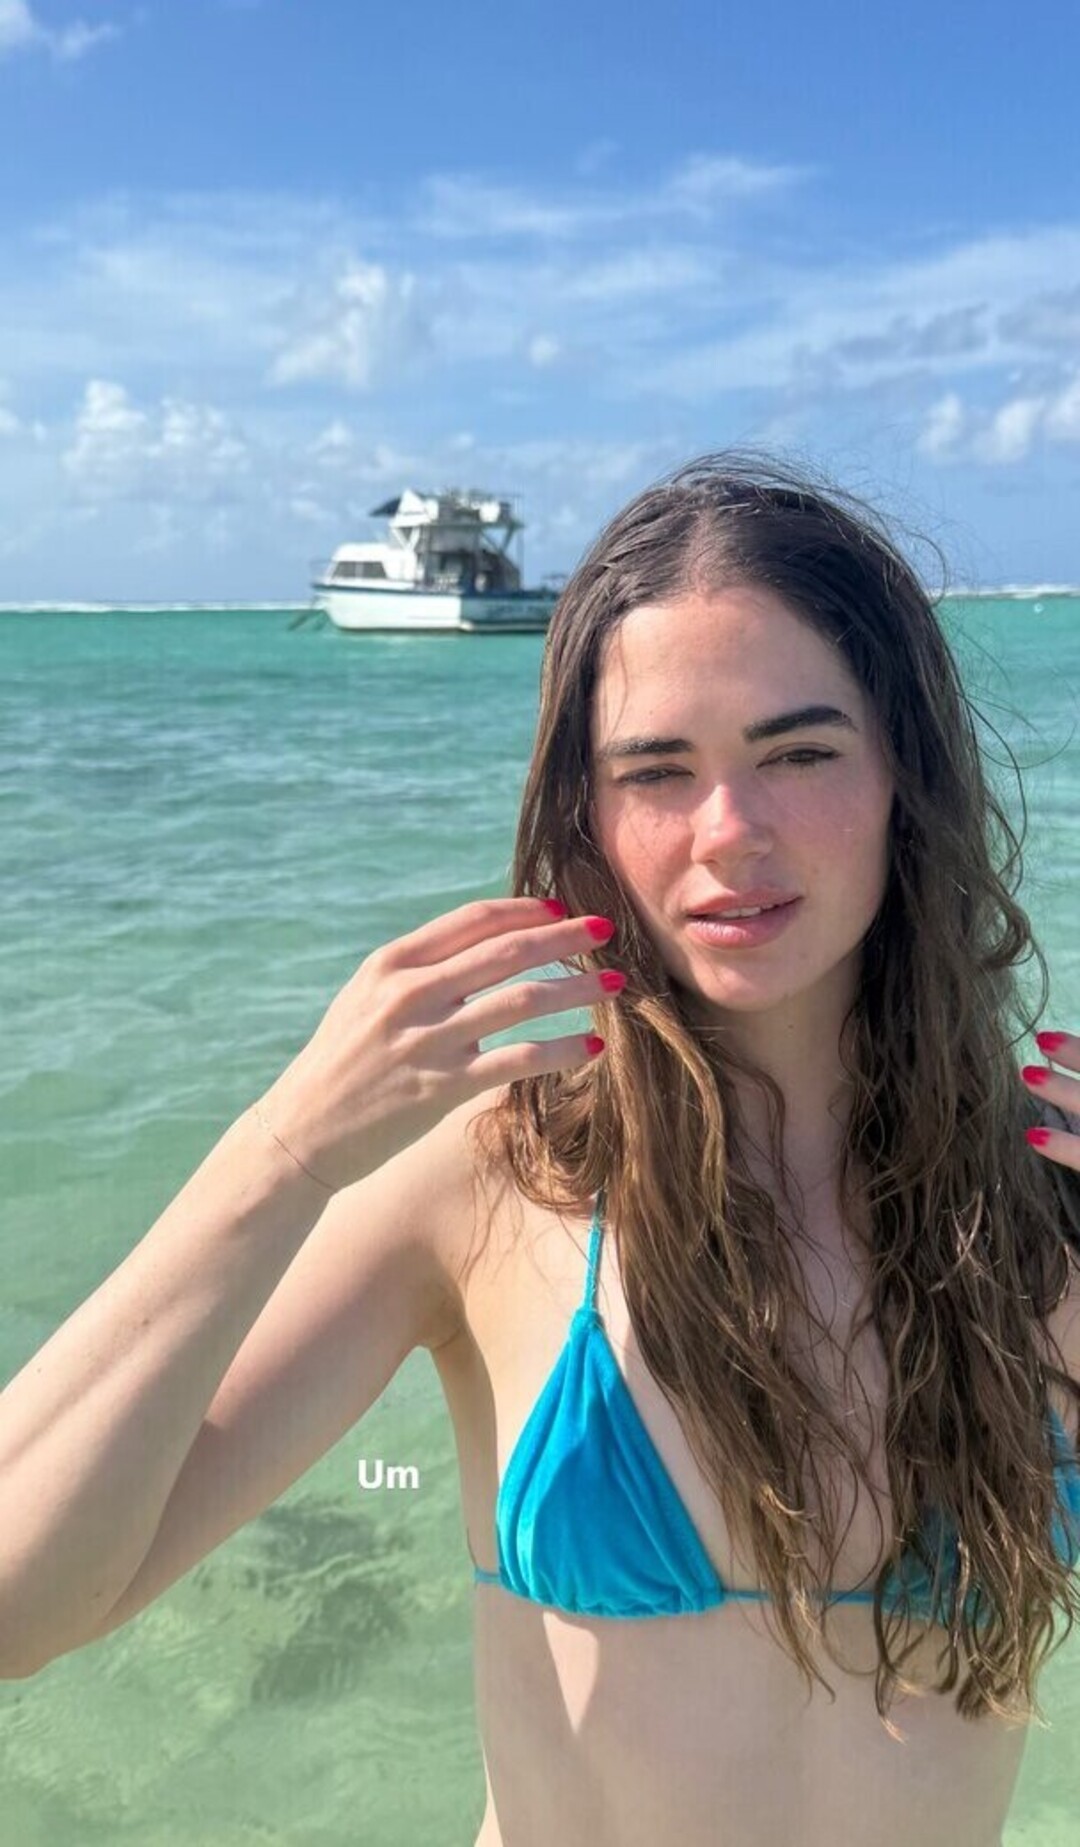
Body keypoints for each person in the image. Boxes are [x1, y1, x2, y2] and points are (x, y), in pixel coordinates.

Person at [1, 452, 1079, 1847]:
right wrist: (284, 1150)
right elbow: (24, 1605)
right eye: (657, 770)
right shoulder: (498, 1178)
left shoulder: (1041, 1202)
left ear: (902, 776)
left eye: (800, 753)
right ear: (587, 809)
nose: (729, 832)